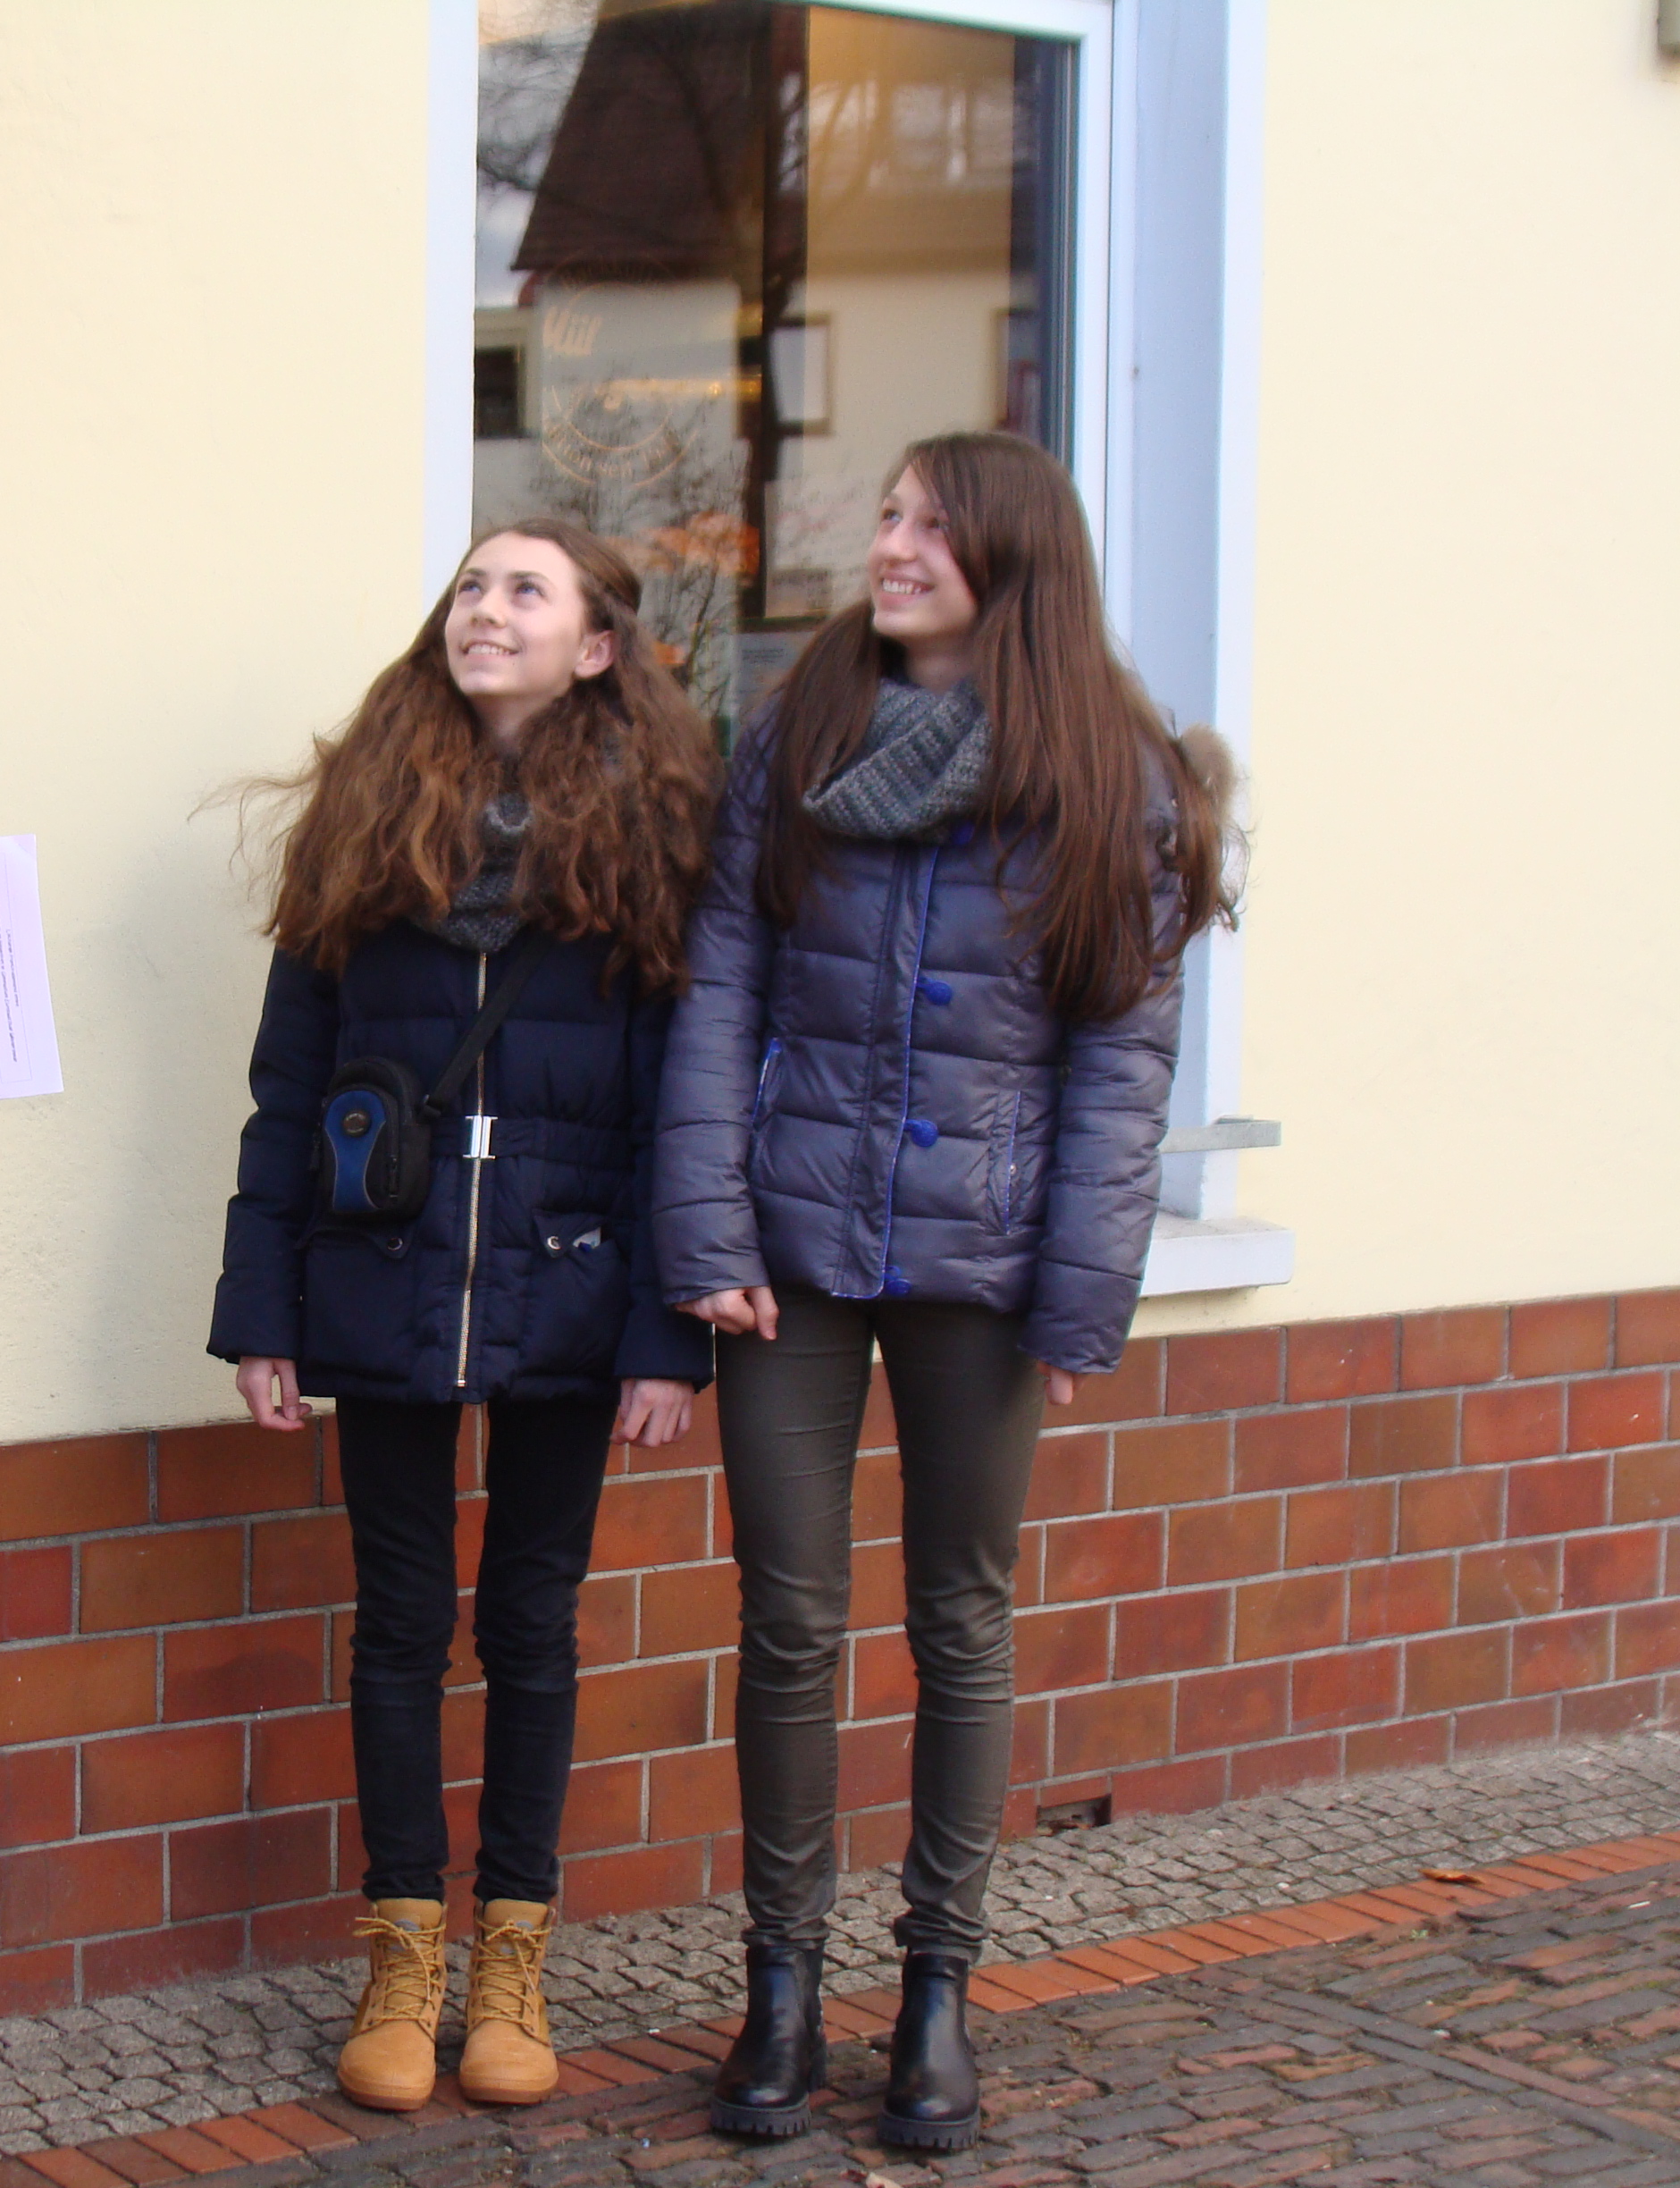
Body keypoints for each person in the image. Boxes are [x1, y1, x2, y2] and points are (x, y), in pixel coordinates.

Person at [650, 432, 1233, 2152]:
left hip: (986, 1263)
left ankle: (936, 1996)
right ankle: (780, 1988)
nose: (889, 545)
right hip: (794, 1254)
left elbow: (1123, 1056)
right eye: (889, 516)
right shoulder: (805, 730)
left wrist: (1083, 1294)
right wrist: (709, 1230)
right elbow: (720, 987)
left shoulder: (1109, 772)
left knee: (960, 1620)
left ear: (1012, 557)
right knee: (788, 1618)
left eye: (927, 524)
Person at [211, 519, 721, 2114]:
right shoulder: (370, 823)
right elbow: (290, 1089)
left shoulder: (650, 842)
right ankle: (402, 1952)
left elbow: (680, 1110)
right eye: (472, 585)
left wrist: (668, 1332)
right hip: (387, 1271)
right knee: (400, 1622)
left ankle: (515, 1953)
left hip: (574, 1280)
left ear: (595, 647)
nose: (483, 609)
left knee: (531, 1625)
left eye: (525, 590)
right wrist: (262, 1306)